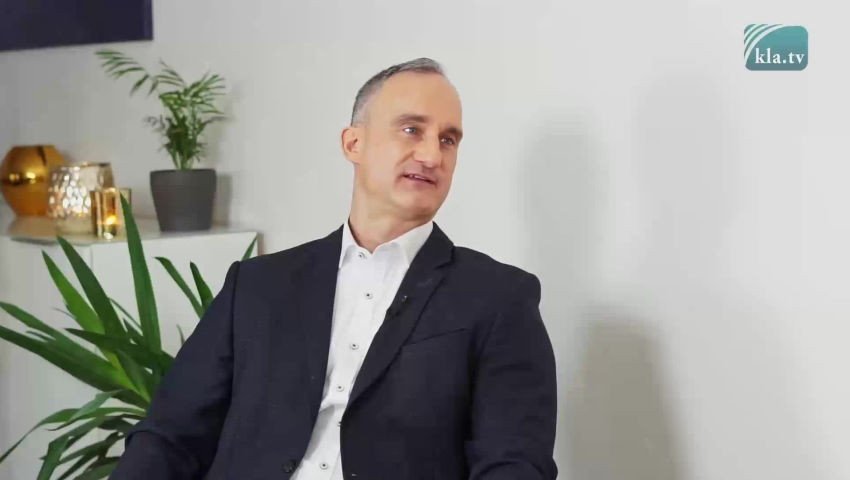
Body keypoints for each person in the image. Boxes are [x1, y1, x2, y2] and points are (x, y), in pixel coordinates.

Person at [111, 58, 558, 480]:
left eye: (448, 140)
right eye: (411, 130)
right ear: (353, 143)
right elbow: (169, 436)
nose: (432, 156)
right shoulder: (257, 286)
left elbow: (514, 464)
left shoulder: (498, 299)